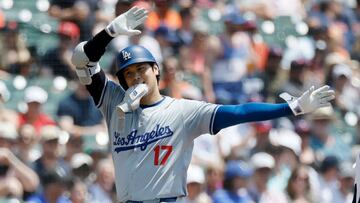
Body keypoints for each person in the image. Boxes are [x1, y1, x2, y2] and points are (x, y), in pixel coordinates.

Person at [70, 6, 335, 202]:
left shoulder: (183, 111)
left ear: (156, 69)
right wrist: (110, 32)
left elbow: (238, 112)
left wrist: (291, 108)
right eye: (129, 73)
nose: (136, 76)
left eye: (142, 69)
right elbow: (81, 59)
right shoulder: (113, 99)